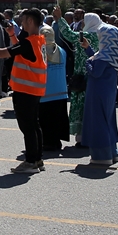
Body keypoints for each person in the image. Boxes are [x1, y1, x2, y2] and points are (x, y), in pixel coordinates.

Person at [0, 8, 48, 174]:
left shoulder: (28, 42)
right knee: (34, 125)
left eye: (24, 19)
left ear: (31, 22)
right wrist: (12, 34)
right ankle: (38, 159)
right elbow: (19, 48)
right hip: (34, 88)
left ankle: (31, 161)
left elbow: (4, 53)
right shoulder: (38, 39)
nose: (21, 22)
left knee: (27, 126)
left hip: (25, 89)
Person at [79, 13, 118, 166]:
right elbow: (98, 59)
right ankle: (112, 152)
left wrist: (87, 62)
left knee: (98, 122)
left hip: (97, 93)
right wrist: (89, 50)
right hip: (107, 93)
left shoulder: (104, 56)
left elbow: (95, 70)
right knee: (108, 121)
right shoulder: (112, 54)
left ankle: (101, 156)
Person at [53, 6, 99, 144]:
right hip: (95, 74)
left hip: (82, 75)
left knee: (81, 105)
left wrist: (59, 18)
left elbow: (68, 34)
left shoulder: (86, 36)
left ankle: (82, 137)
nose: (82, 24)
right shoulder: (100, 35)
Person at [38, 25, 70, 153]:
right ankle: (56, 141)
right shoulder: (61, 50)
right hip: (61, 90)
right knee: (58, 118)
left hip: (46, 91)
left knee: (46, 119)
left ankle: (48, 143)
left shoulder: (41, 51)